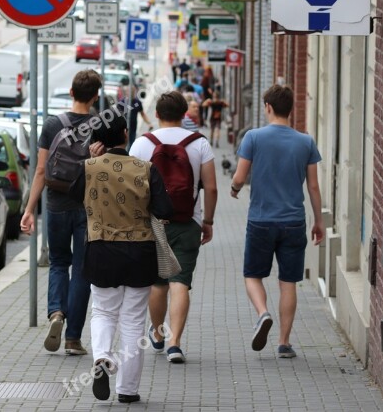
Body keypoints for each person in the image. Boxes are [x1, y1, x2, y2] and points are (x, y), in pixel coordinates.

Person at [70, 107, 173, 404]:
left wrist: (89, 161)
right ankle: (127, 390)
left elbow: (74, 195)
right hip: (140, 254)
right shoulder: (146, 168)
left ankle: (102, 356)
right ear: (126, 134)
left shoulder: (89, 168)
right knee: (132, 321)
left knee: (103, 311)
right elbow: (166, 210)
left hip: (100, 250)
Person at [230, 85, 325, 358]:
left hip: (260, 220)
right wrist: (318, 221)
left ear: (268, 107)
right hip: (294, 221)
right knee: (288, 282)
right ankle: (284, 343)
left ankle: (263, 313)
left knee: (252, 275)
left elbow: (238, 177)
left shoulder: (253, 137)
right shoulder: (306, 142)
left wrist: (235, 191)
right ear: (290, 109)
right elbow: (314, 187)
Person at [129, 91, 218, 364]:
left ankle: (157, 334)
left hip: (153, 223)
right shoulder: (199, 143)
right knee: (180, 283)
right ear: (184, 116)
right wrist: (208, 221)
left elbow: (133, 189)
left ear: (156, 114)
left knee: (158, 284)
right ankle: (175, 344)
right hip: (188, 221)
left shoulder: (142, 144)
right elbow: (211, 187)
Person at [20, 70, 103, 356]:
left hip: (55, 205)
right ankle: (73, 339)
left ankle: (56, 312)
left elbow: (41, 170)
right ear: (95, 96)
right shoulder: (101, 126)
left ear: (70, 92)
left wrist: (30, 210)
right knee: (82, 271)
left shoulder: (53, 124)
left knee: (58, 263)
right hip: (88, 207)